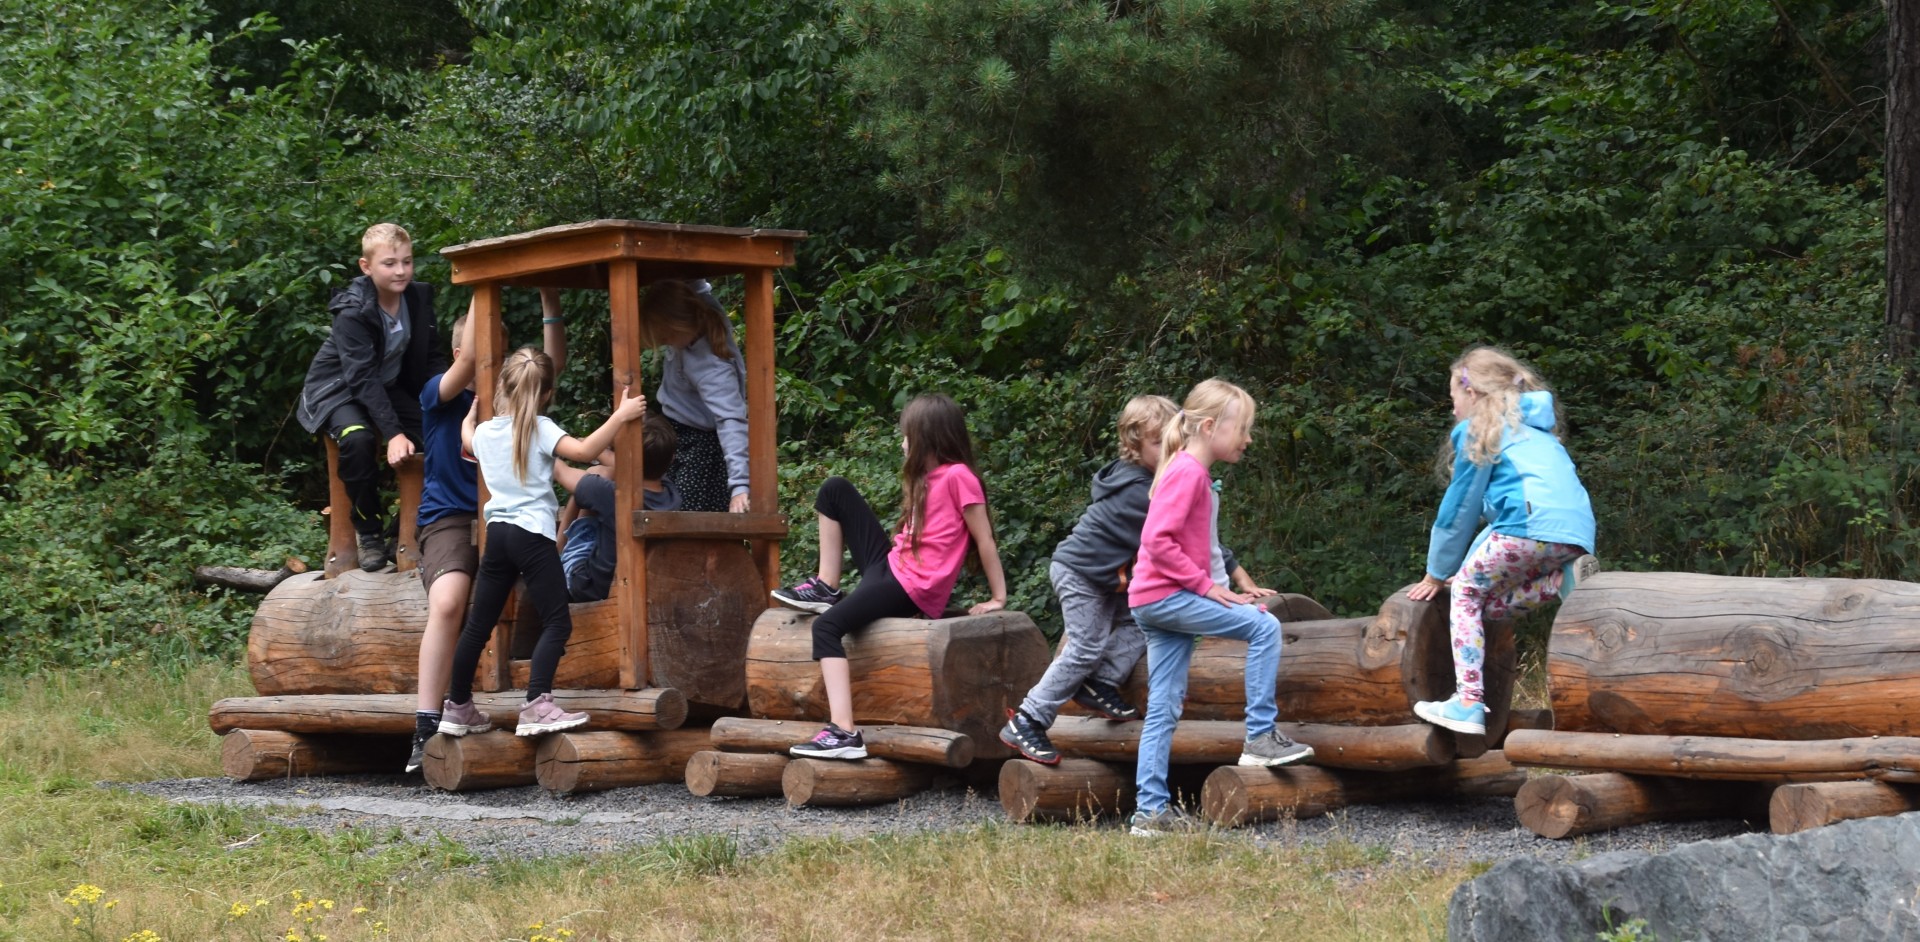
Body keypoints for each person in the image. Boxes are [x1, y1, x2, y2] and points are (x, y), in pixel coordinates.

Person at [770, 394, 1009, 760]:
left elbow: (985, 539)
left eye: (907, 436)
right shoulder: (925, 478)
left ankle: (844, 732)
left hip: (910, 587)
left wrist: (998, 597)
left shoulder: (959, 476)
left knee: (827, 628)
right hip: (891, 568)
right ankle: (825, 586)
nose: (902, 444)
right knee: (834, 489)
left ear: (928, 438)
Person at [1127, 379, 1314, 837]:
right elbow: (1156, 541)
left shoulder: (1189, 470)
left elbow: (1197, 547)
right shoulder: (1189, 472)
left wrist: (1222, 588)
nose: (1247, 439)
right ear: (1210, 427)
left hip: (1155, 600)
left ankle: (1149, 813)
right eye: (1243, 429)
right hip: (1166, 597)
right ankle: (1260, 735)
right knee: (1264, 627)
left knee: (1163, 708)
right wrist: (1206, 589)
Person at [436, 347, 647, 739]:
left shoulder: (484, 432)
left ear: (503, 386)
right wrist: (620, 416)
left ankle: (458, 706)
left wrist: (467, 420)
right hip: (532, 535)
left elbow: (467, 439)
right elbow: (584, 452)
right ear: (547, 393)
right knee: (557, 620)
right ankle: (537, 704)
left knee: (478, 625)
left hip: (498, 535)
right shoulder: (540, 428)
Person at [404, 290, 569, 772]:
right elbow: (473, 358)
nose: (494, 361)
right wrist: (484, 281)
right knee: (450, 600)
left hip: (507, 520)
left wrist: (549, 302)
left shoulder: (510, 402)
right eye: (487, 349)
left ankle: (532, 697)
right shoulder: (440, 393)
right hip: (452, 516)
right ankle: (427, 723)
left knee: (547, 597)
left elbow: (550, 366)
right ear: (462, 352)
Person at [1407, 346, 1598, 737]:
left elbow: (1459, 510)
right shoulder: (1539, 434)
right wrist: (1464, 568)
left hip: (1527, 525)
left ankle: (1468, 703)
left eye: (1453, 398)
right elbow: (1497, 528)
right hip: (1573, 534)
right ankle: (1559, 581)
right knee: (1486, 605)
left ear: (1472, 392)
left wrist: (1437, 573)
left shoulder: (1482, 430)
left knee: (1464, 595)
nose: (1452, 409)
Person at [296, 223, 444, 571]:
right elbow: (361, 378)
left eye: (407, 261)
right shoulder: (352, 311)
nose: (401, 271)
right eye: (389, 263)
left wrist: (447, 397)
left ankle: (409, 528)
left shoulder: (418, 298)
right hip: (338, 391)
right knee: (358, 439)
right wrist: (394, 433)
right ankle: (369, 533)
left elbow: (432, 357)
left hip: (387, 386)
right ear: (366, 266)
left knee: (442, 432)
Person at [641, 279, 751, 514]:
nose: (664, 343)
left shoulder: (712, 368)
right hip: (676, 434)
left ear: (678, 326)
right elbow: (693, 278)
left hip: (699, 450)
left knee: (684, 516)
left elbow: (731, 420)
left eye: (666, 337)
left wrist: (740, 485)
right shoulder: (697, 306)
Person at [557, 412, 683, 604]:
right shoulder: (672, 495)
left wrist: (588, 447)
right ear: (671, 458)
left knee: (594, 475)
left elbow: (560, 471)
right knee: (601, 475)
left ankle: (558, 553)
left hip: (589, 585)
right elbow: (632, 464)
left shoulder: (611, 494)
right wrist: (597, 450)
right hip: (641, 583)